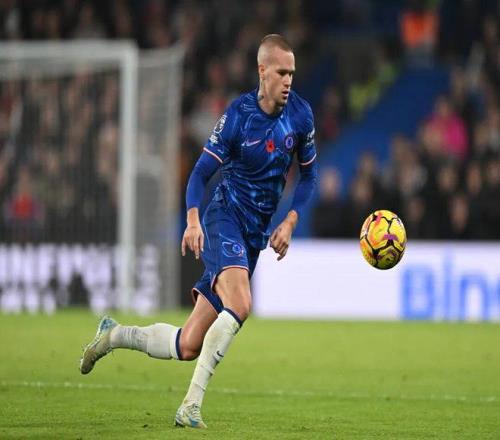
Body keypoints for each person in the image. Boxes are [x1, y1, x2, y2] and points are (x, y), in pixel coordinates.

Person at [79, 34, 318, 429]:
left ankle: (114, 335)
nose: (288, 80)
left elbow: (308, 176)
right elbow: (200, 173)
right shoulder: (238, 116)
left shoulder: (301, 115)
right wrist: (192, 219)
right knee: (241, 304)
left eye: (292, 73)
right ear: (263, 71)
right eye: (281, 72)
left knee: (188, 344)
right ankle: (190, 406)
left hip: (253, 237)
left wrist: (291, 219)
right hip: (224, 218)